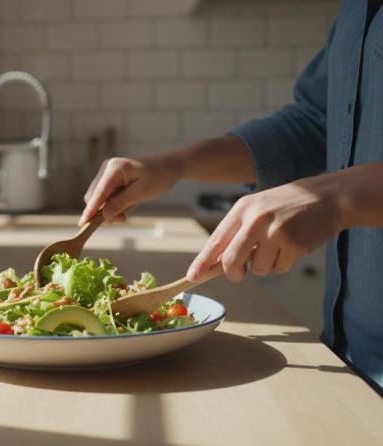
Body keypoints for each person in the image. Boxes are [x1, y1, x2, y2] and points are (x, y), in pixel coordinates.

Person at [80, 0, 383, 394]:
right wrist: (174, 164)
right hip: (348, 362)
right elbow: (314, 125)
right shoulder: (355, 10)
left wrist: (338, 196)